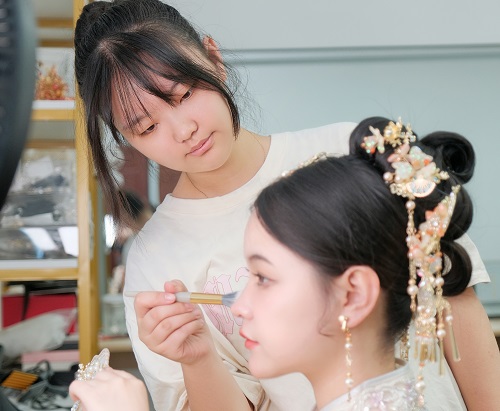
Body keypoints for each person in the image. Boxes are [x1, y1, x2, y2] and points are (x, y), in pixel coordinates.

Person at [73, 0, 499, 408]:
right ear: (126, 138)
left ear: (213, 58)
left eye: (184, 94)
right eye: (147, 127)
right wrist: (197, 359)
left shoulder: (351, 150)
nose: (183, 130)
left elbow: (453, 301)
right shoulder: (155, 259)